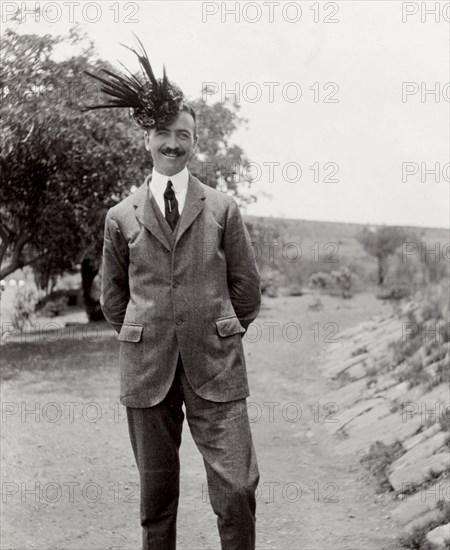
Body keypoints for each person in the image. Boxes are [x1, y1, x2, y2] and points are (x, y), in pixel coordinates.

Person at [84, 38, 261, 550]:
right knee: (156, 496)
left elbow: (246, 290)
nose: (173, 144)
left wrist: (218, 328)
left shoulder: (223, 208)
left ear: (194, 141)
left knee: (237, 488)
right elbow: (112, 295)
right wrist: (144, 331)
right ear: (147, 139)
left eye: (183, 135)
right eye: (164, 134)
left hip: (217, 365)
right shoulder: (121, 216)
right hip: (147, 370)